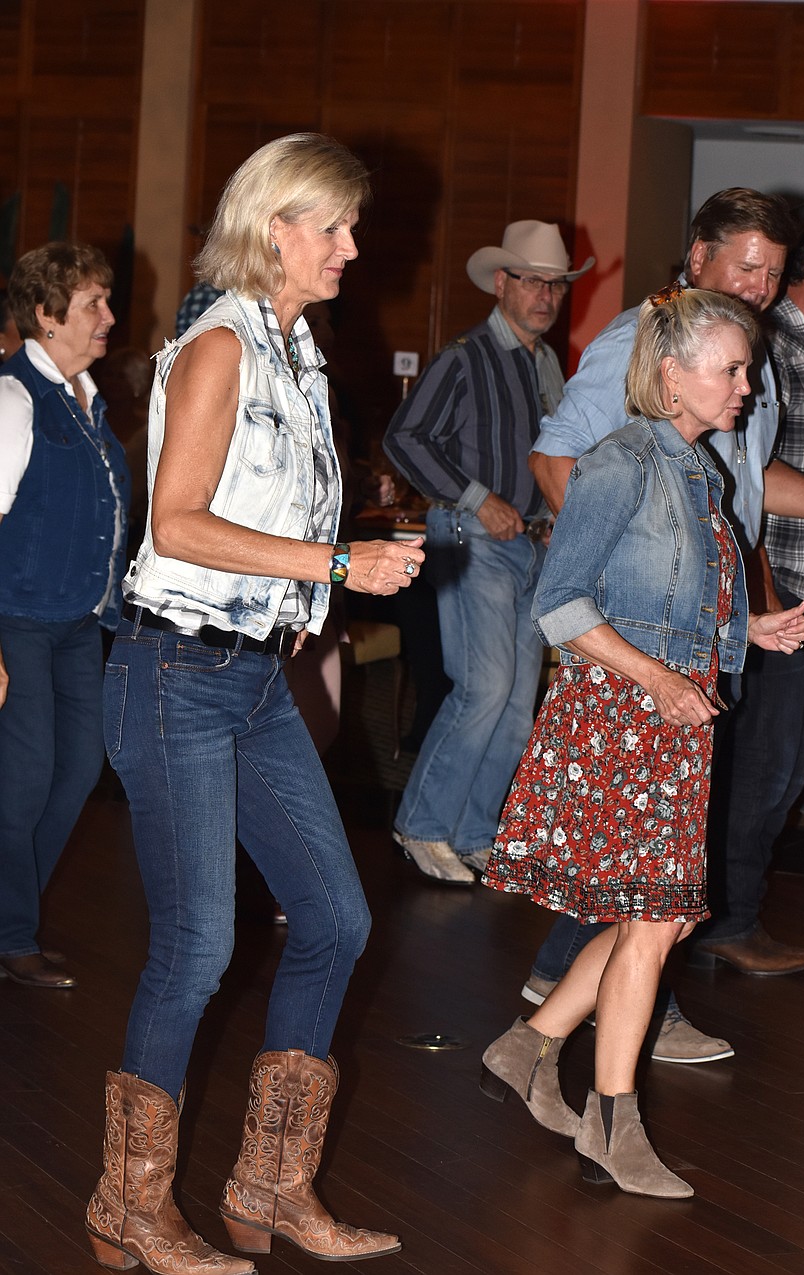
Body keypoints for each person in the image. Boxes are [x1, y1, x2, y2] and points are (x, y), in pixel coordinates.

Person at [85, 133, 423, 1272]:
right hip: (173, 671)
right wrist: (334, 568)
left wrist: (353, 549)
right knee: (193, 950)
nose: (350, 246)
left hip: (250, 676)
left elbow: (271, 519)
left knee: (335, 919)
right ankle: (130, 1206)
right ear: (274, 225)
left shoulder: (300, 349)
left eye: (350, 225)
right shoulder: (223, 343)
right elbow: (173, 524)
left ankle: (271, 1186)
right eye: (330, 226)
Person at [480, 288, 804, 1199]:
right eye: (732, 368)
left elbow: (669, 602)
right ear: (673, 376)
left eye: (746, 368)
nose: (747, 385)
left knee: (647, 918)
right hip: (624, 719)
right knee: (654, 921)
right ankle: (610, 1120)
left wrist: (751, 630)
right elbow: (561, 605)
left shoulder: (698, 469)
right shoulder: (619, 462)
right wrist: (662, 680)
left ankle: (529, 1045)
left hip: (667, 720)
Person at [524, 187, 804, 994]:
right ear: (698, 256)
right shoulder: (645, 340)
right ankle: (573, 1002)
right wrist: (624, 573)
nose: (760, 287)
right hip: (641, 641)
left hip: (703, 632)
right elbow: (560, 460)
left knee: (658, 851)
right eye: (746, 267)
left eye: (773, 274)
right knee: (635, 849)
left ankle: (597, 1006)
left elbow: (744, 485)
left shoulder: (740, 358)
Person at [383, 220, 593, 884]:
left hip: (531, 548)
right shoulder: (467, 354)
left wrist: (559, 516)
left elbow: (554, 456)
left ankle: (474, 832)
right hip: (474, 539)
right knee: (485, 689)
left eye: (555, 284)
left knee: (513, 703)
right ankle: (420, 825)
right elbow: (405, 438)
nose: (546, 294)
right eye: (532, 280)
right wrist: (479, 499)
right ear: (501, 282)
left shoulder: (545, 363)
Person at [695, 198, 804, 965]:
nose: (760, 283)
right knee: (761, 764)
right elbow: (745, 476)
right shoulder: (770, 347)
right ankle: (722, 924)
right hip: (772, 591)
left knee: (785, 762)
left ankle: (730, 919)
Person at [0, 243, 129, 990]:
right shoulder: (15, 398)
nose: (109, 316)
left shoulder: (85, 394)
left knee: (77, 768)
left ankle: (10, 915)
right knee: (23, 780)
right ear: (47, 316)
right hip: (18, 617)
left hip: (81, 622)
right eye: (93, 305)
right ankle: (15, 931)